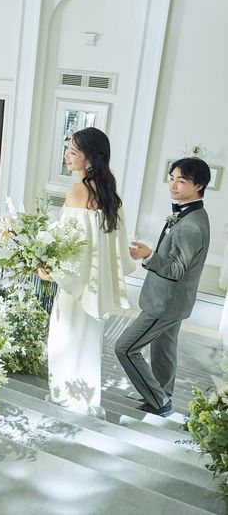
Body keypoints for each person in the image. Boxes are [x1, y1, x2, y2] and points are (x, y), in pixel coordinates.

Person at [39, 127, 134, 417]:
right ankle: (85, 400)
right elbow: (115, 246)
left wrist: (50, 270)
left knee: (64, 339)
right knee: (88, 342)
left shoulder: (76, 191)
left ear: (90, 158)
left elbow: (71, 244)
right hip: (96, 285)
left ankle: (65, 398)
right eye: (67, 149)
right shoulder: (111, 196)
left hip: (75, 284)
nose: (67, 156)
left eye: (73, 151)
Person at [115, 157, 211, 417]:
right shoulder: (192, 214)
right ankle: (163, 395)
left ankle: (159, 401)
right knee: (164, 350)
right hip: (174, 301)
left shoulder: (191, 225)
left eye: (181, 181)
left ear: (198, 185)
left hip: (165, 303)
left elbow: (177, 269)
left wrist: (149, 255)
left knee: (125, 348)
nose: (173, 185)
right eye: (171, 178)